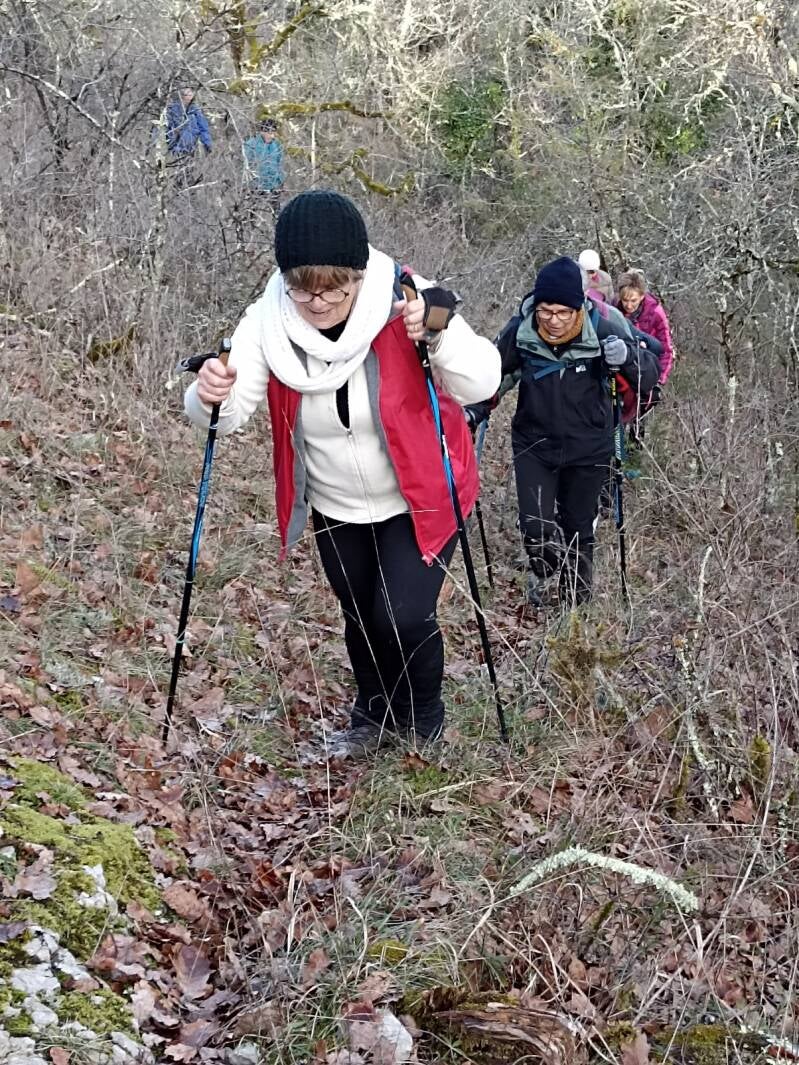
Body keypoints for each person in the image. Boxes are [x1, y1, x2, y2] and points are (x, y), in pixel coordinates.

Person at [184, 190, 500, 754]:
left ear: (359, 274)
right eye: (303, 287)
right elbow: (226, 416)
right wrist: (208, 394)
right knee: (360, 614)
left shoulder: (405, 297)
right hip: (335, 501)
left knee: (402, 615)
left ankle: (424, 720)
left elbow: (483, 381)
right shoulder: (267, 322)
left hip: (419, 495)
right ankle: (373, 714)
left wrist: (439, 333)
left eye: (335, 287)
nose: (319, 301)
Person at [465, 257, 658, 607]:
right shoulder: (521, 331)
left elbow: (650, 375)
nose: (553, 320)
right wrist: (472, 412)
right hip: (535, 445)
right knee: (535, 528)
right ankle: (544, 567)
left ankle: (574, 610)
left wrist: (627, 357)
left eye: (563, 313)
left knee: (578, 529)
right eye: (545, 311)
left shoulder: (605, 328)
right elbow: (493, 376)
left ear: (578, 307)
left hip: (589, 447)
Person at [165, 85, 211, 184]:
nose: (190, 97)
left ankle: (187, 186)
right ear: (181, 96)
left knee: (189, 172)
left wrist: (207, 144)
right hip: (176, 148)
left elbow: (203, 128)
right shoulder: (172, 110)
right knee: (176, 174)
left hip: (191, 148)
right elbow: (166, 129)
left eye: (191, 94)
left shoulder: (195, 111)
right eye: (187, 95)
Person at [243, 118, 285, 213]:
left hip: (274, 185)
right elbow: (246, 166)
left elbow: (279, 164)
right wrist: (250, 184)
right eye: (270, 133)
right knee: (252, 212)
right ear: (262, 132)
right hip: (256, 186)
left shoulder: (277, 145)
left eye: (274, 133)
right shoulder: (250, 145)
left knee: (276, 212)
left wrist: (280, 181)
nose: (272, 136)